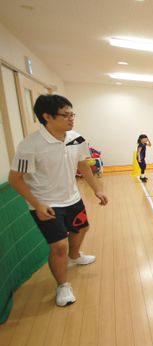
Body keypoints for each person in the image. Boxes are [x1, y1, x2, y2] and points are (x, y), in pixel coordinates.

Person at [8, 94, 108, 307]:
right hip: (46, 203)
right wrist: (37, 204)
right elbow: (15, 179)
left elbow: (83, 166)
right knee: (59, 246)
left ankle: (75, 256)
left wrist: (97, 189)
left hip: (72, 198)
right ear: (47, 117)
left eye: (73, 114)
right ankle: (63, 285)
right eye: (66, 115)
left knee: (82, 229)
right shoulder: (30, 146)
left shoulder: (77, 138)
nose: (71, 119)